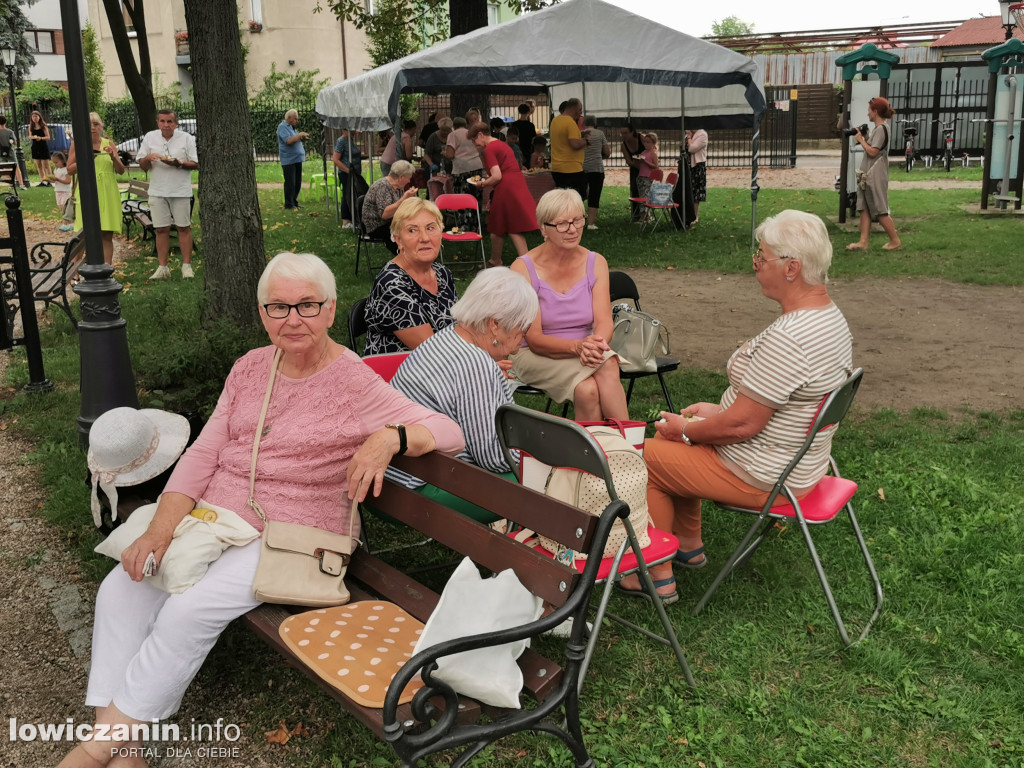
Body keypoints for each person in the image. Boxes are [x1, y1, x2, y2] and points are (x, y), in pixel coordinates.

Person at [58, 252, 464, 768]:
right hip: (217, 519)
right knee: (122, 586)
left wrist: (391, 436)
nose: (292, 319)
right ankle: (126, 749)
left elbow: (453, 432)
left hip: (295, 534)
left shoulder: (353, 381)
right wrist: (160, 528)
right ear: (262, 312)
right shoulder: (250, 367)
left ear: (331, 309)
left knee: (188, 610)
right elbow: (203, 453)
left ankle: (95, 751)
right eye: (278, 307)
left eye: (306, 305)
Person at [616, 210, 854, 605]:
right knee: (679, 439)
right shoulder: (829, 319)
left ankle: (655, 574)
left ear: (792, 268)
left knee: (641, 456)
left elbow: (743, 425)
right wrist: (714, 413)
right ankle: (688, 546)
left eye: (762, 256)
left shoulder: (791, 338)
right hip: (796, 464)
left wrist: (688, 430)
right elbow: (769, 407)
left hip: (765, 473)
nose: (756, 264)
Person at [389, 266, 539, 522]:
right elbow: (494, 459)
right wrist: (537, 455)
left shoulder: (449, 336)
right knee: (548, 484)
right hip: (414, 489)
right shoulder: (474, 363)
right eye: (521, 330)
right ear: (495, 325)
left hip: (393, 477)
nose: (521, 341)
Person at [509, 189, 627, 421]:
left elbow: (604, 321)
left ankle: (608, 452)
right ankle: (630, 448)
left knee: (589, 387)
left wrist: (595, 344)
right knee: (603, 370)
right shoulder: (523, 269)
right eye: (562, 224)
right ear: (544, 228)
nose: (572, 229)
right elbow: (534, 339)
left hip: (587, 348)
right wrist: (577, 348)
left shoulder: (596, 262)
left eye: (578, 220)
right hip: (533, 353)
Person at [364, 197, 457, 356]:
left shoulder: (442, 273)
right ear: (398, 240)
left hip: (444, 368)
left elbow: (460, 328)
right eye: (412, 230)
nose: (424, 238)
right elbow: (432, 351)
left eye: (430, 228)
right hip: (400, 373)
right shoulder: (391, 285)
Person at [137, 109, 199, 280]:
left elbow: (196, 163)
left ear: (175, 123)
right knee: (161, 229)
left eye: (169, 122)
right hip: (157, 190)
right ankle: (162, 267)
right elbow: (142, 166)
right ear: (157, 122)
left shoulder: (186, 138)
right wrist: (148, 158)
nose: (166, 125)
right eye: (162, 121)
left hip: (180, 190)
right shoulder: (150, 137)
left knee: (183, 227)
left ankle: (186, 266)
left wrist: (178, 163)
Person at [469, 122, 538, 267]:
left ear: (481, 135)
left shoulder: (490, 149)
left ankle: (516, 261)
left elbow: (497, 176)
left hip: (505, 187)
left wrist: (482, 184)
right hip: (515, 183)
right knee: (505, 224)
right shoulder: (501, 144)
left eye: (474, 140)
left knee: (501, 224)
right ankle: (510, 260)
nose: (475, 144)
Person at [67, 112, 126, 265]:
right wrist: (86, 159)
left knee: (106, 234)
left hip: (107, 191)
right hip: (87, 191)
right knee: (83, 234)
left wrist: (113, 157)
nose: (92, 128)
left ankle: (107, 270)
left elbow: (121, 170)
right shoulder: (78, 144)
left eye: (96, 124)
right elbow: (69, 170)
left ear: (101, 127)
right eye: (89, 125)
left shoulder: (108, 143)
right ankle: (76, 273)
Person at [847, 96, 901, 252]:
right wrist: (865, 137)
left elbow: (873, 152)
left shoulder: (882, 129)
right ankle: (863, 242)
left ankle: (895, 240)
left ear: (876, 111)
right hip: (867, 174)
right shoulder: (878, 129)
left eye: (869, 110)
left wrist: (861, 141)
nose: (868, 114)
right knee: (864, 207)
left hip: (875, 174)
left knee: (880, 209)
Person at [361, 160, 417, 255]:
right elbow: (384, 214)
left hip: (390, 222)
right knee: (405, 231)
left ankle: (412, 256)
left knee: (413, 226)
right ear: (401, 177)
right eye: (408, 178)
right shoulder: (382, 187)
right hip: (376, 225)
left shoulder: (398, 186)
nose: (409, 181)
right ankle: (405, 257)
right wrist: (403, 199)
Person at [548, 98, 588, 199]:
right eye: (580, 110)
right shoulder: (570, 123)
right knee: (577, 199)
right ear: (575, 109)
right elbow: (575, 144)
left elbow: (563, 137)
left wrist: (580, 134)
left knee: (562, 200)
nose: (580, 113)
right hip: (572, 169)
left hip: (557, 168)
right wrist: (586, 141)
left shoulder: (555, 121)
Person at [581, 114, 610, 230]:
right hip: (597, 168)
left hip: (581, 168)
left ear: (583, 123)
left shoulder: (580, 134)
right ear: (595, 123)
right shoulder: (600, 133)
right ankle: (591, 223)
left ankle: (580, 219)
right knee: (594, 194)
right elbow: (607, 152)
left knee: (580, 195)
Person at [332, 128, 364, 230]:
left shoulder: (350, 141)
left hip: (354, 173)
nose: (354, 132)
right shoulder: (341, 141)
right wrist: (348, 171)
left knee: (354, 195)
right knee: (347, 195)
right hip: (346, 174)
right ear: (344, 131)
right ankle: (346, 221)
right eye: (351, 130)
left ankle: (353, 219)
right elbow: (336, 159)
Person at [277, 109, 308, 210]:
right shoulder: (282, 127)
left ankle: (294, 201)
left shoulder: (292, 127)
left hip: (297, 159)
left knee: (297, 182)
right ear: (289, 118)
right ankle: (289, 204)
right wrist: (299, 135)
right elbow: (289, 141)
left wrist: (301, 137)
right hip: (289, 160)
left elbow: (295, 139)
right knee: (290, 182)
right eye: (295, 119)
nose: (297, 121)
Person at [444, 116, 484, 194]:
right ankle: (476, 205)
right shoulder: (472, 134)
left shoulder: (453, 135)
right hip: (476, 166)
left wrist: (445, 153)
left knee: (461, 193)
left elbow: (450, 154)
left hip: (461, 168)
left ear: (454, 126)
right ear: (465, 125)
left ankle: (463, 206)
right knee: (475, 192)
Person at [685, 128, 709, 222]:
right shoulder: (688, 134)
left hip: (697, 166)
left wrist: (689, 138)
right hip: (688, 166)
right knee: (688, 190)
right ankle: (687, 214)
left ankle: (694, 216)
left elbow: (692, 149)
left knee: (696, 193)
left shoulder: (702, 134)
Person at [620, 124, 643, 221]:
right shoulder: (623, 145)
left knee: (645, 190)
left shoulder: (641, 138)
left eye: (625, 133)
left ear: (632, 132)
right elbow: (628, 161)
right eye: (622, 133)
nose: (623, 135)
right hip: (634, 167)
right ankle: (635, 214)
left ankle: (646, 214)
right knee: (634, 188)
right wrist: (637, 166)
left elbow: (652, 148)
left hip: (646, 167)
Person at [0, 115, 29, 190]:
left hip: (0, 152)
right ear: (5, 122)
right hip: (10, 151)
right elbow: (15, 143)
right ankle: (21, 184)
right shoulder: (10, 131)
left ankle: (11, 184)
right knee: (16, 167)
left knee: (4, 168)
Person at [48, 151, 74, 232]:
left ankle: (67, 223)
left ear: (62, 161)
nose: (55, 164)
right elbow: (55, 181)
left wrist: (58, 179)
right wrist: (50, 180)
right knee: (60, 207)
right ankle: (67, 223)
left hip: (65, 191)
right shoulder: (56, 170)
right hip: (58, 190)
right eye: (53, 163)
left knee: (64, 207)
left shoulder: (65, 170)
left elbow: (68, 181)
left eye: (56, 162)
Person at [635, 132, 660, 208]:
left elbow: (655, 166)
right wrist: (639, 160)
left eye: (648, 142)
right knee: (641, 195)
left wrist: (645, 161)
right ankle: (646, 215)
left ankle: (644, 215)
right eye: (644, 142)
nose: (645, 144)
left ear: (653, 143)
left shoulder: (653, 153)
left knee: (645, 196)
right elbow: (641, 164)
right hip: (641, 176)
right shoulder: (643, 152)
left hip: (648, 177)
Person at [29, 111, 53, 185]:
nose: (35, 118)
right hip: (35, 147)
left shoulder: (43, 126)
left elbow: (48, 137)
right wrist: (32, 137)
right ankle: (43, 180)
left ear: (39, 117)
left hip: (43, 146)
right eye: (33, 117)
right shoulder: (31, 127)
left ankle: (49, 180)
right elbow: (30, 136)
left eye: (36, 116)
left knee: (46, 165)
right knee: (39, 165)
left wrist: (41, 138)